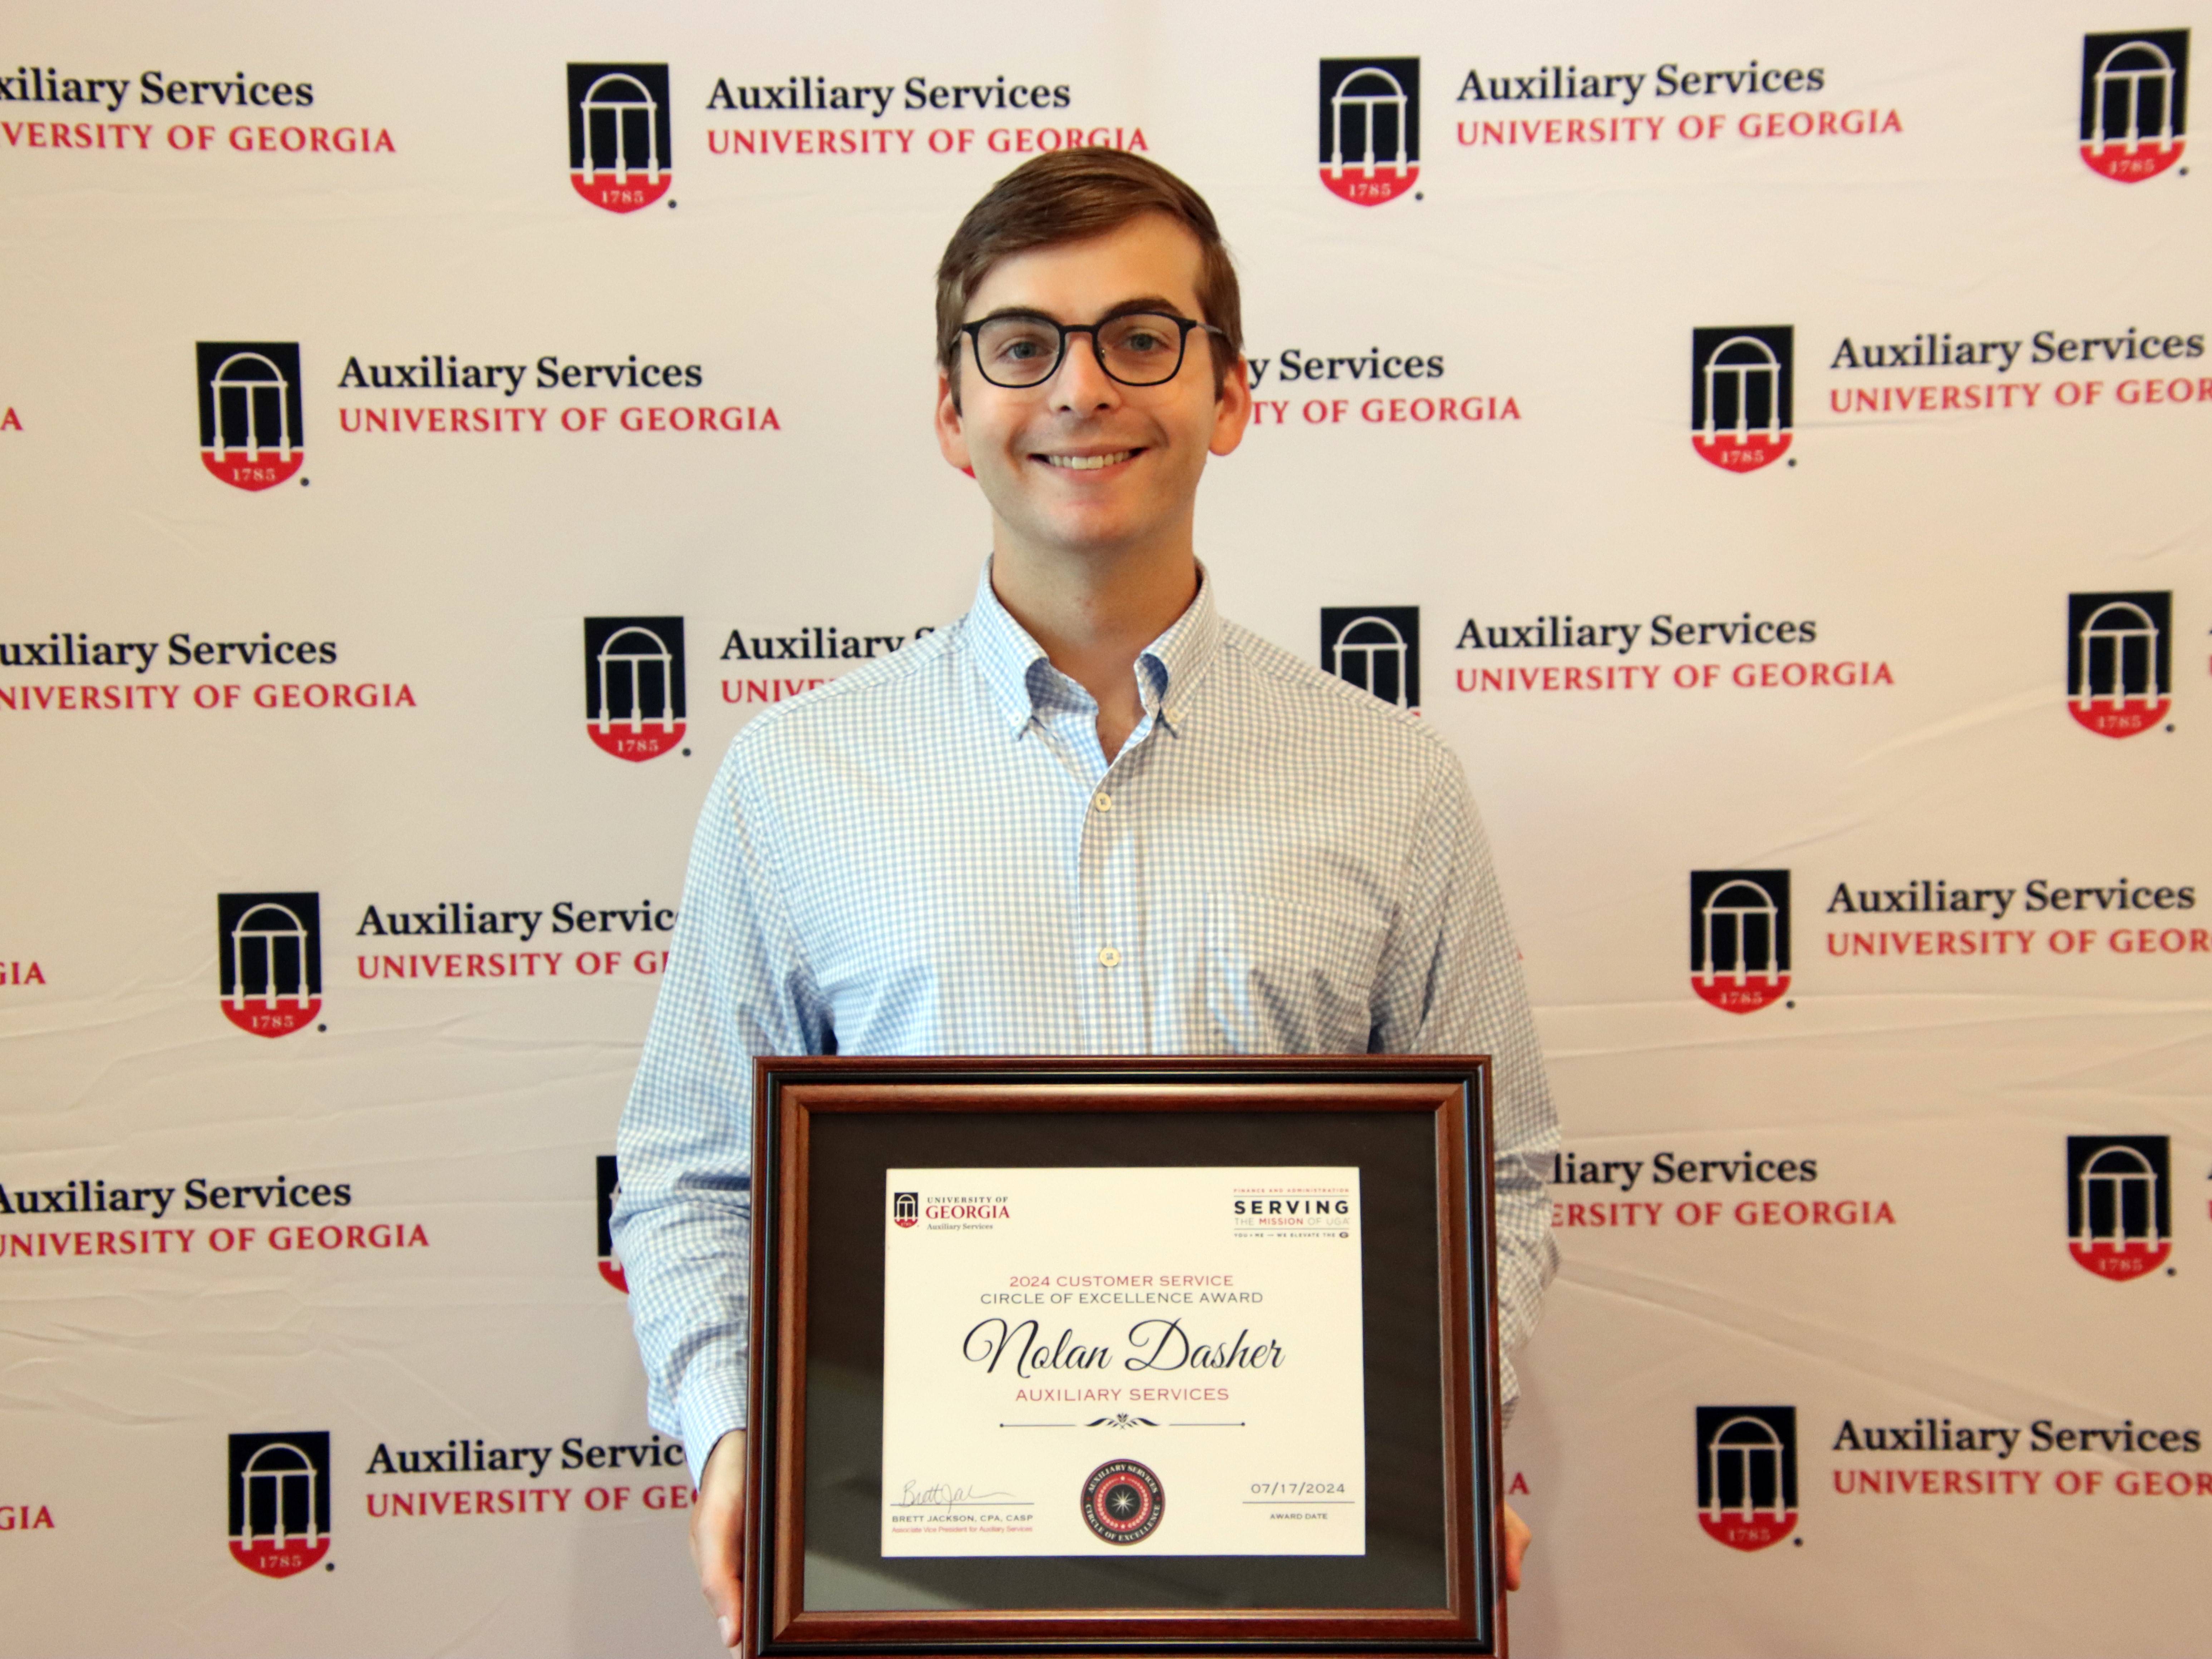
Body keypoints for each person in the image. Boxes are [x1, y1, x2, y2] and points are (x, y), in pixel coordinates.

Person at [614, 147, 1558, 1651]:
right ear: (951, 408)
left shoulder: (1393, 781)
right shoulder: (796, 778)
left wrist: (1435, 1431)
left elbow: (1495, 1184)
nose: (1078, 389)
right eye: (1020, 344)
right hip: (903, 1579)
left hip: (1292, 1591)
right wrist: (737, 1435)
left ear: (1229, 394)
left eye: (1139, 337)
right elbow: (691, 1176)